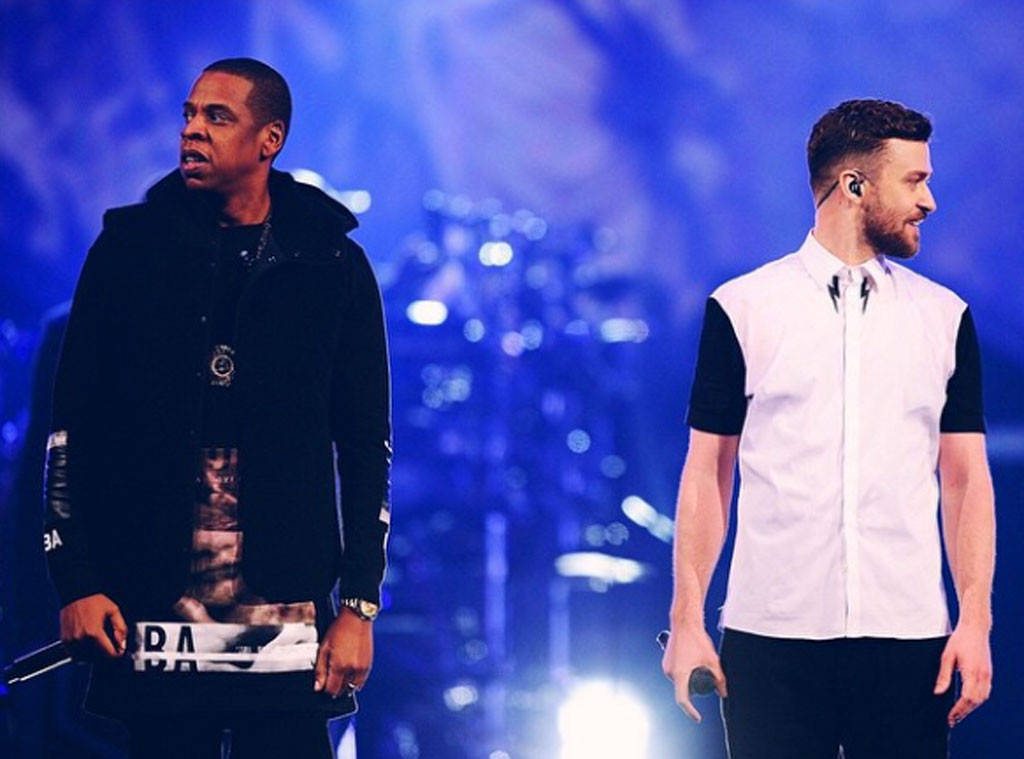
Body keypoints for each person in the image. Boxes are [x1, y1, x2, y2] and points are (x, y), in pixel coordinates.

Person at [41, 57, 392, 758]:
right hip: (152, 617)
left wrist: (358, 606)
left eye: (217, 117)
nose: (192, 131)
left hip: (288, 627)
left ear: (270, 140)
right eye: (189, 115)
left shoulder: (331, 264)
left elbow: (365, 449)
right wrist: (75, 581)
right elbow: (71, 432)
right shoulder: (128, 252)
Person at [662, 99, 994, 758]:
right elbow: (707, 472)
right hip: (771, 640)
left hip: (909, 639)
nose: (928, 201)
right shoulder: (743, 307)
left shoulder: (944, 317)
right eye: (914, 180)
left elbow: (964, 479)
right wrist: (686, 617)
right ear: (854, 185)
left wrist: (976, 618)